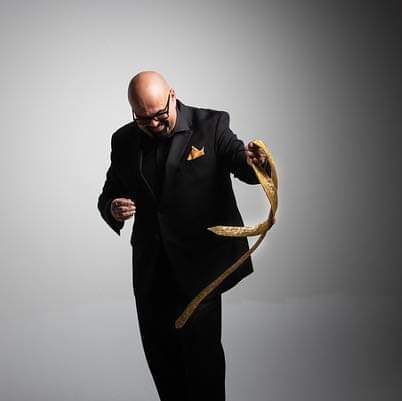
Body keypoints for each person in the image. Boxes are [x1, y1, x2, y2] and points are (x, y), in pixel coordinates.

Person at [97, 71, 270, 401]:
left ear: (172, 96)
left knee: (204, 370)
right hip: (151, 274)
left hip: (199, 273)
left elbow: (242, 163)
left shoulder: (212, 125)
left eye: (159, 115)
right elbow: (109, 193)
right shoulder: (123, 140)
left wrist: (257, 163)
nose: (153, 124)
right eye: (143, 119)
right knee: (164, 367)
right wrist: (112, 208)